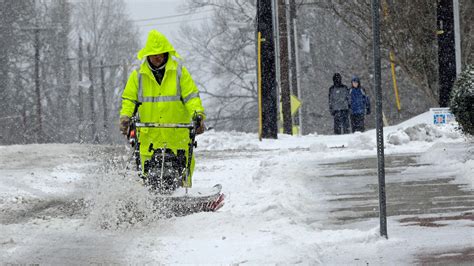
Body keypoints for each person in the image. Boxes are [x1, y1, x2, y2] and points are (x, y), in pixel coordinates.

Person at [119, 30, 206, 187]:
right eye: (153, 54)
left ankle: (184, 196)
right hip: (149, 137)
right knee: (147, 174)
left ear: (166, 53)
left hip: (177, 136)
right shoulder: (138, 75)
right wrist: (126, 117)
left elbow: (191, 97)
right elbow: (129, 99)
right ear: (147, 55)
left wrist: (198, 115)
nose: (157, 58)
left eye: (160, 54)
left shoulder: (179, 73)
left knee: (182, 172)